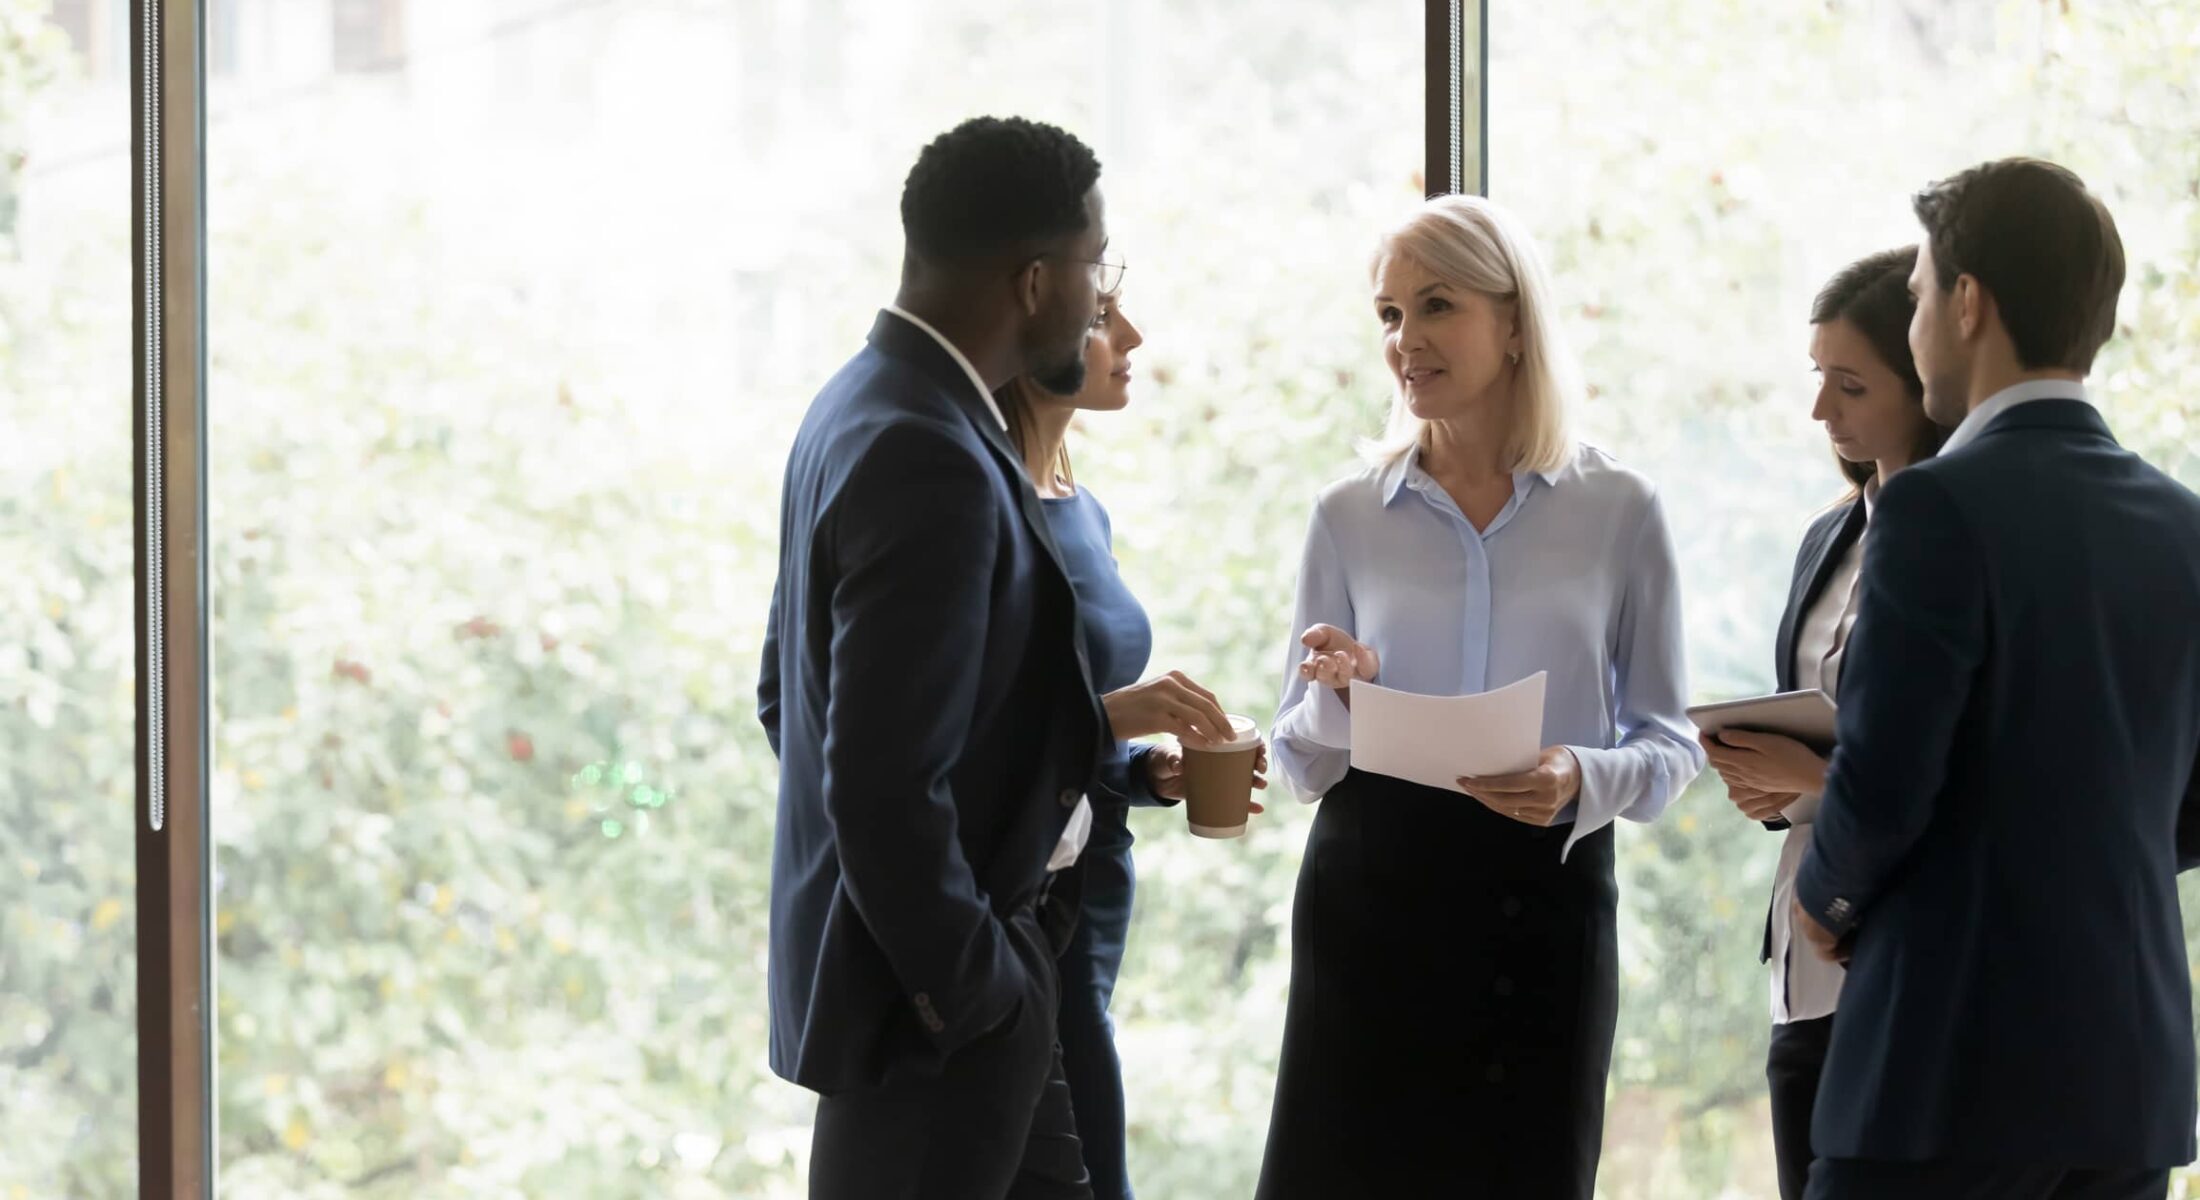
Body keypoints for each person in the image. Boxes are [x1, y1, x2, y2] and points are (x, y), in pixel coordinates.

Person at [1253, 194, 1706, 1199]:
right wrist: (1343, 692)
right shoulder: (1345, 514)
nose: (1403, 340)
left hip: (1537, 908)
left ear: (1512, 325)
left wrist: (1576, 773)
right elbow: (1297, 761)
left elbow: (1671, 746)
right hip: (1369, 907)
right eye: (1387, 315)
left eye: (1434, 306)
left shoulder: (1619, 509)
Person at [1791, 158, 2200, 1200]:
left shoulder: (1936, 507)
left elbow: (1886, 778)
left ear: (1967, 303)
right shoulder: (2182, 525)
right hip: (2126, 1080)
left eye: (1922, 293)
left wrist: (1823, 895)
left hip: (1945, 1070)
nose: (1919, 316)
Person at [757, 115, 1115, 1200]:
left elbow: (786, 696)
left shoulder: (860, 402)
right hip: (934, 1020)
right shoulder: (930, 452)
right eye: (1098, 268)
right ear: (1036, 280)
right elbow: (876, 782)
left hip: (958, 987)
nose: (1103, 300)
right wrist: (976, 989)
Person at [994, 285, 1267, 1200]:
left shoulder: (1083, 506)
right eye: (1104, 311)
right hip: (1017, 891)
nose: (1134, 335)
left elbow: (1071, 728)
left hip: (1093, 883)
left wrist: (1151, 771)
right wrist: (1117, 716)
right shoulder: (976, 505)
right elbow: (961, 727)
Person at [1697, 246, 1948, 1200]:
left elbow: (1966, 762)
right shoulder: (1831, 534)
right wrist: (1766, 775)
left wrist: (1818, 783)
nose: (1820, 412)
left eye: (1849, 384)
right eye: (1818, 379)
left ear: (1928, 384)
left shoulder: (1972, 547)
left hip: (1910, 959)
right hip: (1803, 951)